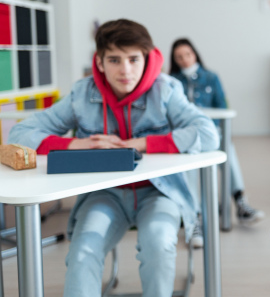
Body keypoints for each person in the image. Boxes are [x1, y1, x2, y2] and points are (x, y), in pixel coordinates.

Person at [8, 19, 220, 296]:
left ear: (146, 58)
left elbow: (208, 134)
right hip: (103, 194)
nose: (125, 70)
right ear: (99, 62)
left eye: (133, 59)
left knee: (158, 244)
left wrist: (141, 143)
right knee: (83, 251)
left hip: (159, 192)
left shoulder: (166, 88)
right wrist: (77, 143)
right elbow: (20, 133)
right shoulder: (82, 93)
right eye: (114, 60)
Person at [169, 38, 265, 233]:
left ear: (195, 54)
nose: (185, 60)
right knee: (190, 156)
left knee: (228, 148)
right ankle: (194, 215)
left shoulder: (211, 77)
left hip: (211, 132)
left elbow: (222, 107)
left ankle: (240, 202)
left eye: (187, 55)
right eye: (179, 57)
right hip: (186, 134)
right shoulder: (172, 81)